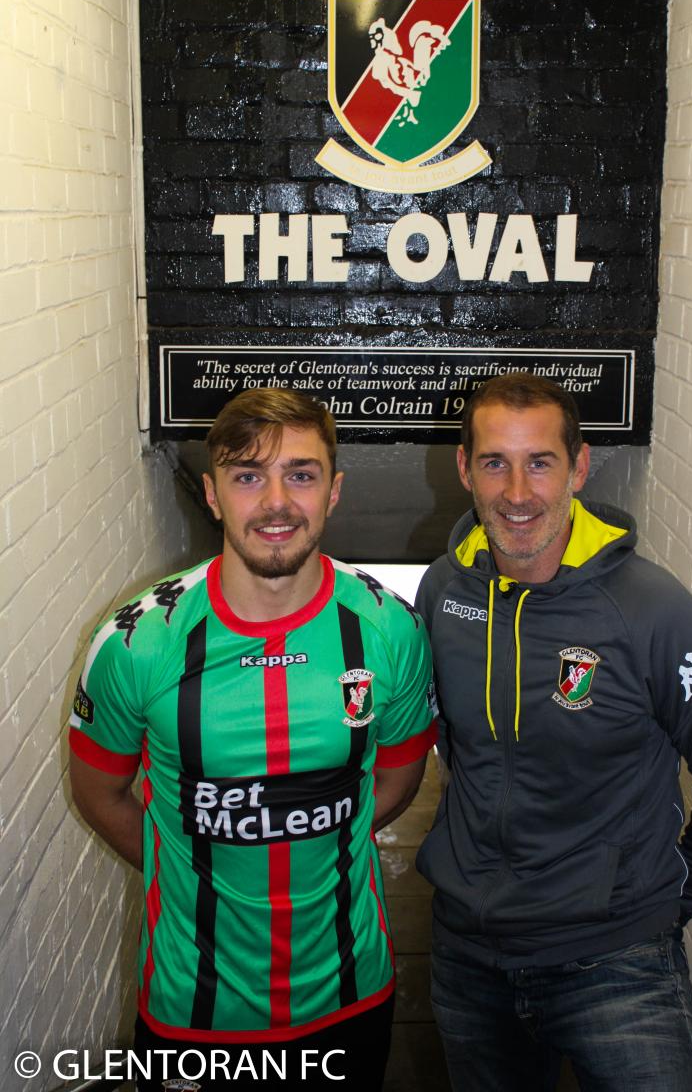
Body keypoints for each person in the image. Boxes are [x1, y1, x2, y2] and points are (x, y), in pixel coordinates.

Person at [69, 387, 436, 1092]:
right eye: (247, 476)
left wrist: (310, 842)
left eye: (300, 474)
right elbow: (100, 793)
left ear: (333, 491)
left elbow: (399, 776)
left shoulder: (390, 628)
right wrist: (194, 866)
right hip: (193, 1012)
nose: (275, 502)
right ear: (211, 494)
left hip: (350, 998)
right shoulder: (135, 644)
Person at [414, 373, 692, 1092]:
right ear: (465, 469)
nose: (517, 493)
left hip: (617, 965)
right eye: (495, 462)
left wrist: (666, 904)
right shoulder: (443, 593)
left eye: (541, 462)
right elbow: (453, 741)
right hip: (469, 958)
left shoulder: (654, 611)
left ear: (579, 468)